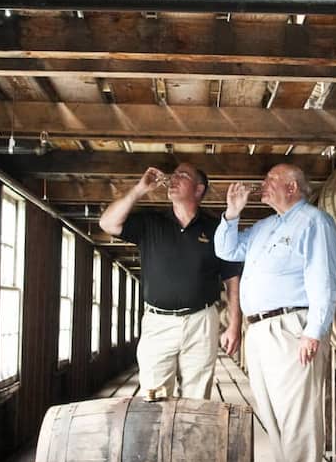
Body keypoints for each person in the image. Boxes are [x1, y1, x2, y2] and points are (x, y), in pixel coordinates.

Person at [214, 163, 336, 462]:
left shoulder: (314, 222)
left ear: (292, 186)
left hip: (292, 326)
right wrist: (231, 214)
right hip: (260, 329)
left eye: (269, 180)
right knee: (272, 413)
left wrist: (314, 331)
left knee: (297, 413)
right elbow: (227, 250)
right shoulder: (264, 226)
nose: (261, 185)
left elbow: (324, 280)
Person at [99, 163, 242, 400]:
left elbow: (231, 278)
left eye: (182, 176)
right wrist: (139, 189)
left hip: (202, 321)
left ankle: (191, 438)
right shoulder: (150, 222)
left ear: (198, 190)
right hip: (158, 322)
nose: (173, 179)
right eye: (173, 175)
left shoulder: (216, 228)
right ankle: (157, 439)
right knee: (154, 395)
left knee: (197, 398)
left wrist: (234, 323)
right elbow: (107, 224)